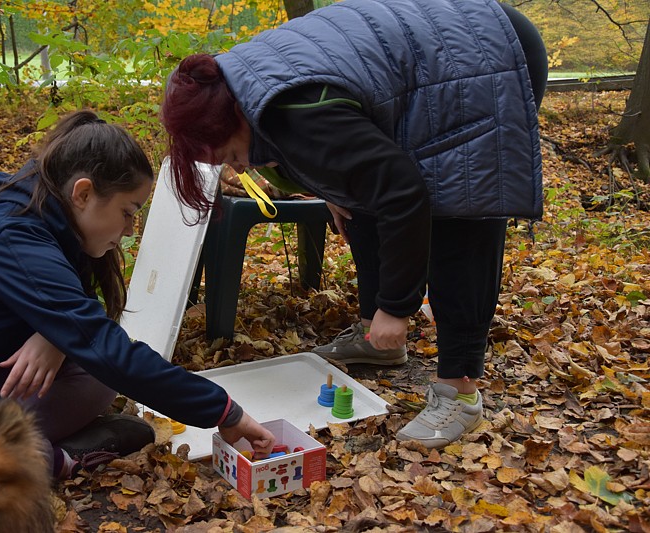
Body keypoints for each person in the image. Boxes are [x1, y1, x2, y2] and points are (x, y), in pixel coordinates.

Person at [160, 0, 547, 449]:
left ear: (229, 119)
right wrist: (333, 188)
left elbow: (404, 194)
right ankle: (373, 337)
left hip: (485, 58)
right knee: (356, 202)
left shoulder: (296, 113)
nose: (240, 166)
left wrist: (398, 307)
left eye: (230, 155)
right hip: (434, 67)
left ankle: (459, 392)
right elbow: (344, 144)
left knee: (458, 213)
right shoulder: (236, 90)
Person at [0, 110, 275, 498]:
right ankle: (55, 459)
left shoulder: (53, 229)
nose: (129, 229)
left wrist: (52, 335)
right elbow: (102, 342)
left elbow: (87, 330)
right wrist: (224, 410)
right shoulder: (10, 235)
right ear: (84, 193)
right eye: (128, 212)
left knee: (96, 375)